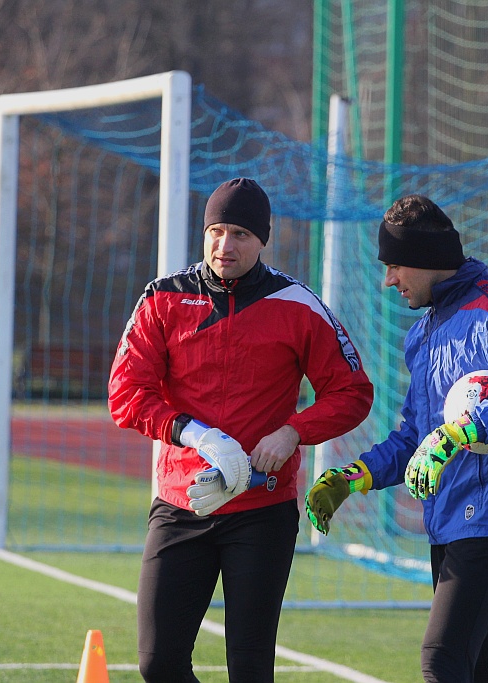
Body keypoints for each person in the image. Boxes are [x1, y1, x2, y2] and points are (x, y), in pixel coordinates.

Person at [109, 177, 373, 683]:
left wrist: (294, 431)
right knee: (158, 662)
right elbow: (126, 394)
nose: (225, 245)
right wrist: (193, 434)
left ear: (263, 240)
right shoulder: (163, 298)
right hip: (182, 504)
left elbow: (352, 391)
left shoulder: (299, 305)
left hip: (262, 511)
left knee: (250, 669)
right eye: (216, 230)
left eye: (240, 235)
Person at [305, 194, 488, 683]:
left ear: (426, 262)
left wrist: (458, 433)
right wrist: (356, 476)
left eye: (395, 266)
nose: (389, 280)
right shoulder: (422, 334)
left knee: (442, 658)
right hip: (447, 515)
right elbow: (414, 437)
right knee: (483, 669)